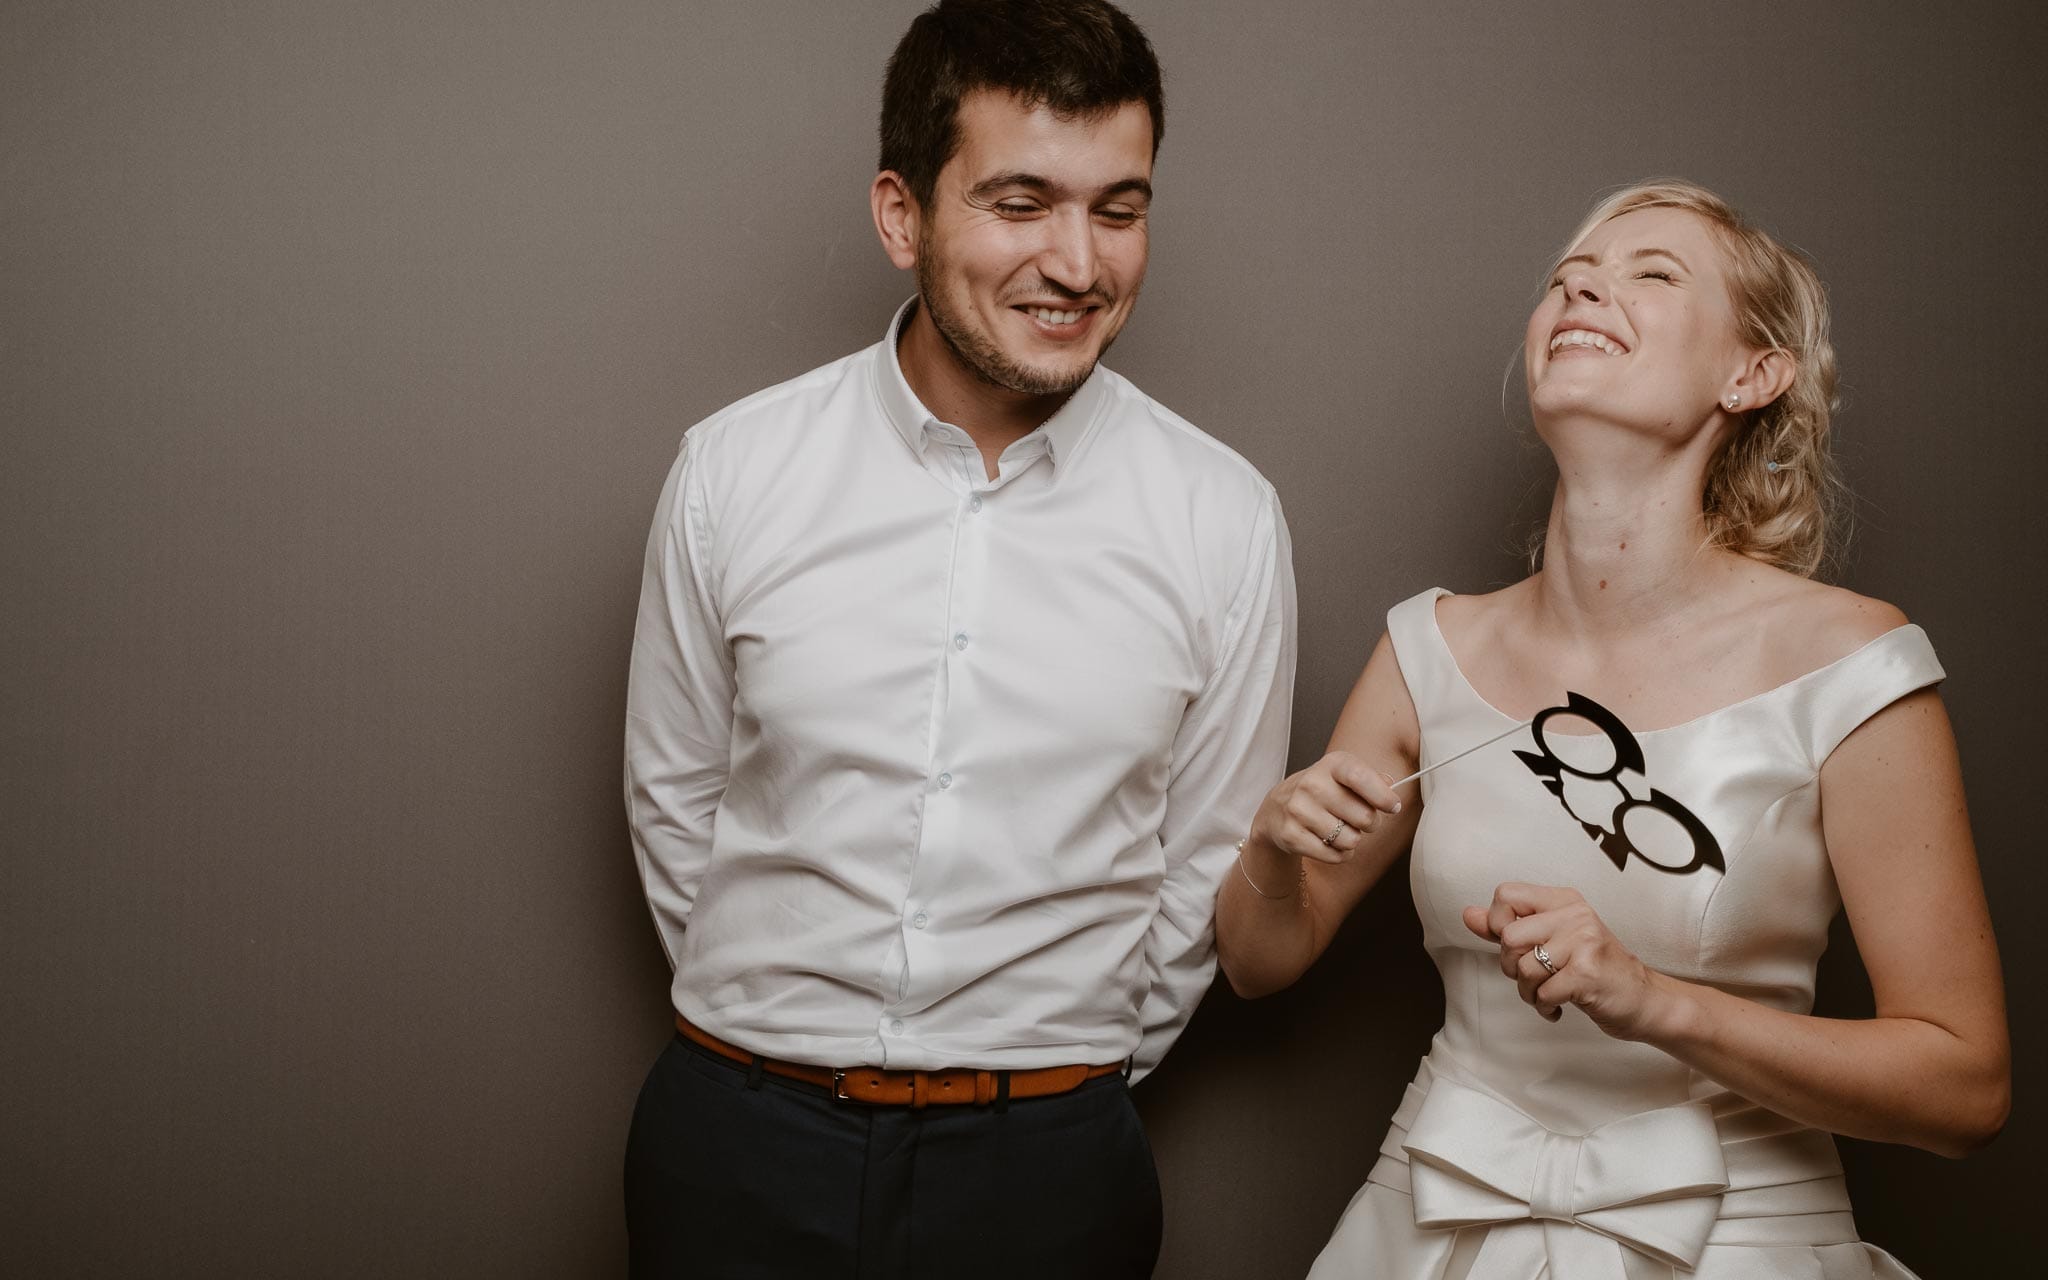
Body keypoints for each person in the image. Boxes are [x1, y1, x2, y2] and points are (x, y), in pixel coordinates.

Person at [1216, 180, 2009, 1278]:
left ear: (1752, 372)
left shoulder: (1850, 665)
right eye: (1567, 278)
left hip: (1736, 1243)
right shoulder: (1423, 648)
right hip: (1426, 1232)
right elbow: (1262, 960)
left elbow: (1964, 1089)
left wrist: (1650, 998)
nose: (1584, 283)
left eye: (1651, 273)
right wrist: (1267, 849)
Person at [621, 2, 1294, 1275]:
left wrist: (1046, 1085)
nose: (1079, 262)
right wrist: (777, 1045)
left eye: (1118, 207)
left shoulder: (1222, 517)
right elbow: (675, 801)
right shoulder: (734, 468)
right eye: (1021, 200)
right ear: (901, 214)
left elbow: (1206, 855)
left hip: (1047, 1172)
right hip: (734, 1144)